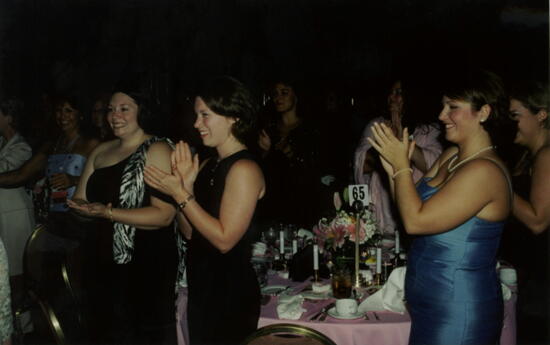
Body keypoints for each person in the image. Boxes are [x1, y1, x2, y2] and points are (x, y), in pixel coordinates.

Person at [368, 70, 512, 344]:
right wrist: (391, 170)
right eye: (444, 106)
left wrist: (402, 169)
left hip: (459, 308)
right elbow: (413, 208)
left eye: (453, 107)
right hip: (431, 304)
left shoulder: (485, 171)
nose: (442, 115)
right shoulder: (452, 156)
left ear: (484, 112)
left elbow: (415, 222)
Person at [144, 76, 265, 345]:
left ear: (233, 117)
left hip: (230, 293)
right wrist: (184, 188)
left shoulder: (244, 169)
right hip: (202, 288)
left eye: (205, 115)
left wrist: (181, 194)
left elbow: (224, 240)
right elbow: (190, 233)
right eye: (197, 115)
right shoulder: (209, 164)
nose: (197, 123)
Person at [68, 90, 179, 344]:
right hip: (99, 261)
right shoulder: (101, 150)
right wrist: (80, 209)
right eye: (110, 109)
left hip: (145, 267)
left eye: (124, 108)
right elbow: (81, 198)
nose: (114, 116)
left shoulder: (158, 149)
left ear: (143, 110)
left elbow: (164, 215)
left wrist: (107, 212)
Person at [354, 78, 442, 235]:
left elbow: (435, 166)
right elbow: (361, 163)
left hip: (418, 209)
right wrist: (386, 144)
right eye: (390, 92)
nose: (392, 97)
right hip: (381, 208)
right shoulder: (377, 126)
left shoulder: (429, 130)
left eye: (398, 93)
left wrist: (402, 141)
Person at [504, 81, 549, 342]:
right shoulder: (528, 156)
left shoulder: (546, 155)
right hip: (529, 276)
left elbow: (538, 221)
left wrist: (496, 182)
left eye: (516, 116)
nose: (512, 123)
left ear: (541, 114)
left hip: (541, 284)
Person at [257, 79, 321, 228]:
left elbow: (312, 170)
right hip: (273, 203)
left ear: (296, 96)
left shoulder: (309, 129)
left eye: (284, 93)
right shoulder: (269, 129)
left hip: (301, 204)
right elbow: (260, 169)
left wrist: (286, 153)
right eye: (275, 94)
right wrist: (266, 152)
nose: (278, 98)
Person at [0, 99, 35, 287]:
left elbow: (5, 169)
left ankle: (25, 316)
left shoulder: (22, 146)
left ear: (9, 118)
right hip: (2, 214)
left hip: (15, 214)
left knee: (16, 270)